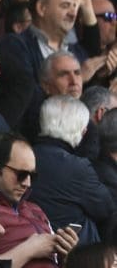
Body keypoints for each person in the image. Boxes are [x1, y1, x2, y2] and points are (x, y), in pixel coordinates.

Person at [0, 132, 80, 268]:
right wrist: (30, 249)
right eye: (21, 174)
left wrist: (65, 256)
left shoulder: (35, 209)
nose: (27, 183)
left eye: (32, 176)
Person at [30, 95, 114, 245]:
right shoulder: (77, 167)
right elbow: (105, 208)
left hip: (29, 241)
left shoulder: (24, 155)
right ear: (82, 131)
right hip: (70, 249)